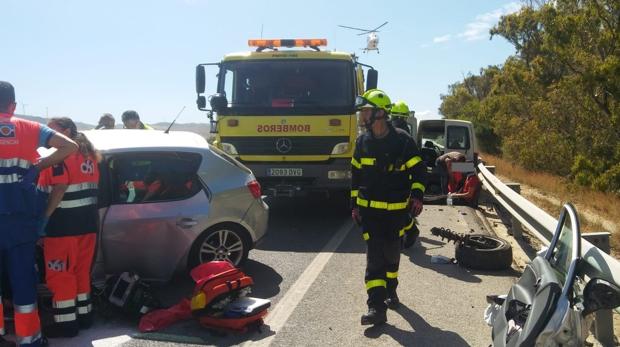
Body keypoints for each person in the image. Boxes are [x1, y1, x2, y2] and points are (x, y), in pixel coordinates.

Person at [0, 81, 78, 347]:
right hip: (20, 219)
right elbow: (70, 146)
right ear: (12, 105)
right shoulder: (29, 128)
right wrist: (38, 166)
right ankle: (29, 340)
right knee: (23, 281)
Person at [351, 89, 426, 326]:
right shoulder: (362, 142)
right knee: (374, 257)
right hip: (370, 213)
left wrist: (417, 195)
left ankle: (391, 289)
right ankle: (376, 306)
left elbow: (419, 171)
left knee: (391, 255)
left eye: (365, 111)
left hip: (395, 212)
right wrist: (354, 204)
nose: (362, 117)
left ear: (379, 113)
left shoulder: (403, 141)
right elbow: (355, 175)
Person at [37, 117, 100, 338]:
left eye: (52, 130)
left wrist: (43, 220)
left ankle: (66, 325)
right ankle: (84, 317)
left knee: (60, 275)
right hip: (87, 225)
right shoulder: (89, 154)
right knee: (81, 273)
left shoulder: (60, 156)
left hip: (62, 226)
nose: (48, 134)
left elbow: (60, 187)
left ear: (65, 131)